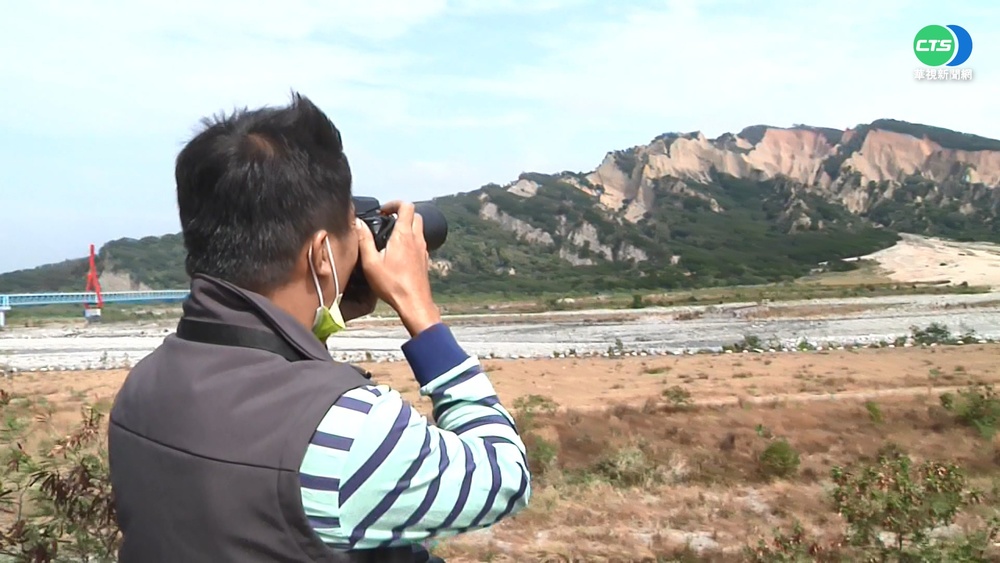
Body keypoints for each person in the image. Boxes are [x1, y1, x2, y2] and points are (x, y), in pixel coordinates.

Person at [107, 93, 531, 562]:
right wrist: (420, 311)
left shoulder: (143, 384)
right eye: (353, 229)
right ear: (320, 255)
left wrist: (321, 318)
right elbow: (503, 479)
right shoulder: (348, 432)